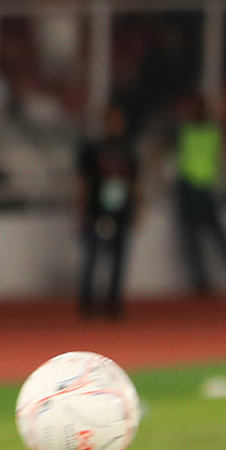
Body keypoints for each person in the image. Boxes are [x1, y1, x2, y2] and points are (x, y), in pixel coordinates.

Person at [173, 94, 226, 294]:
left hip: (202, 187)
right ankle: (201, 278)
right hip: (190, 187)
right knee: (196, 237)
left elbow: (220, 157)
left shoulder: (205, 132)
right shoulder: (189, 131)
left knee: (212, 234)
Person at [76, 103, 139, 320]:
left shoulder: (129, 150)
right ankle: (87, 303)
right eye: (110, 120)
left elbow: (134, 183)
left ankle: (114, 302)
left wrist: (138, 209)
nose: (114, 125)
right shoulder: (93, 149)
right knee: (93, 258)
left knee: (119, 259)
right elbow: (84, 182)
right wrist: (82, 211)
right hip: (96, 211)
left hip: (121, 212)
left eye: (117, 121)